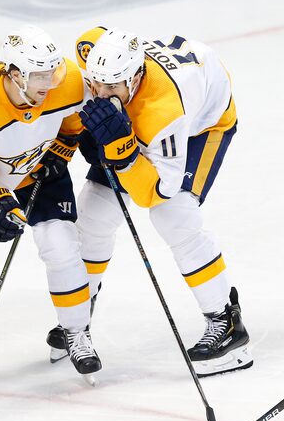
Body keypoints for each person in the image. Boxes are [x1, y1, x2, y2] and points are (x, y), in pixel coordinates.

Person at [52, 26, 251, 377]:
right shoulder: (97, 60)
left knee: (174, 216)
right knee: (93, 215)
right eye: (96, 83)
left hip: (204, 124)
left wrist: (122, 150)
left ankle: (226, 322)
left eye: (112, 87)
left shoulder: (164, 111)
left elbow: (155, 191)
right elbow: (91, 40)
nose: (101, 93)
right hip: (146, 117)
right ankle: (78, 316)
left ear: (136, 75)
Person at [0, 25, 99, 383]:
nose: (50, 81)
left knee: (62, 247)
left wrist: (65, 145)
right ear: (13, 73)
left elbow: (74, 117)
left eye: (52, 71)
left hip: (38, 169)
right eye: (39, 74)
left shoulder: (67, 80)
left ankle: (76, 331)